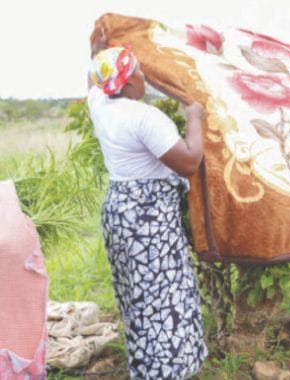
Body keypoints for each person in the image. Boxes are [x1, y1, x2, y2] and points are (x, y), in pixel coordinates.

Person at [87, 34, 207, 379]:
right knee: (164, 293)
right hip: (148, 216)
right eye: (139, 71)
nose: (144, 77)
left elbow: (92, 78)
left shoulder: (99, 102)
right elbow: (188, 163)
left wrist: (97, 52)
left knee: (137, 294)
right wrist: (194, 119)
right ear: (129, 81)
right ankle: (168, 370)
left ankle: (146, 366)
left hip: (120, 210)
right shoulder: (144, 118)